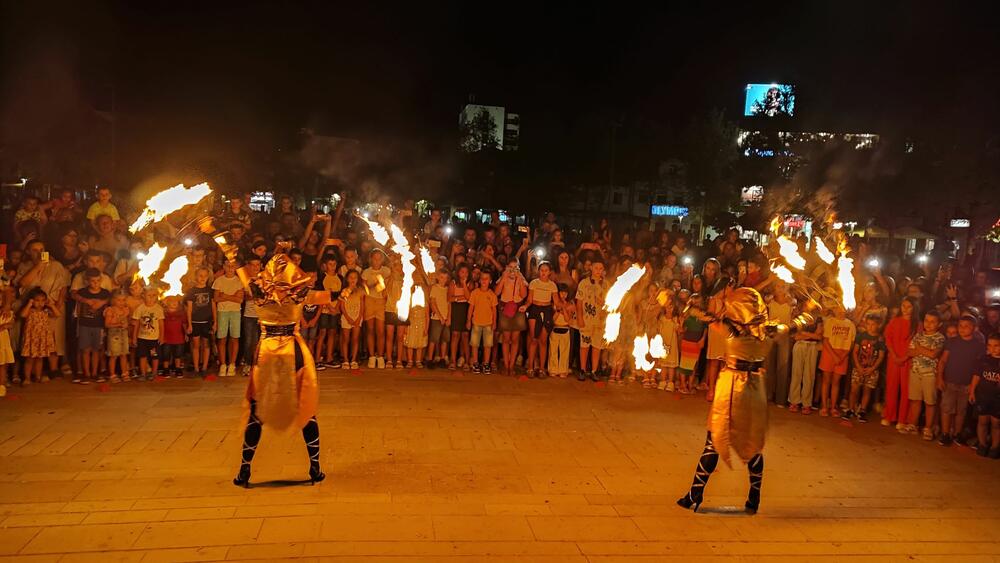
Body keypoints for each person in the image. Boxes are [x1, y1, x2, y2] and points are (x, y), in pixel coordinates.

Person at [677, 287, 776, 515]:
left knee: (713, 440)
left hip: (732, 387)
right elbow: (798, 324)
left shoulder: (732, 330)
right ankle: (754, 497)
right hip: (755, 390)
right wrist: (809, 310)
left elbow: (704, 315)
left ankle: (694, 494)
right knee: (753, 445)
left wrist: (682, 303)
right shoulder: (769, 330)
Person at [936, 314, 983, 446]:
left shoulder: (978, 345)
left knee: (961, 411)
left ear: (974, 328)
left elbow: (978, 368)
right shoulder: (952, 342)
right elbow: (943, 360)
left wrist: (973, 386)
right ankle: (945, 434)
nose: (962, 329)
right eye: (960, 326)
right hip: (949, 381)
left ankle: (957, 433)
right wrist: (940, 377)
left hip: (966, 384)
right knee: (947, 409)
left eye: (966, 326)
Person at [905, 310, 945, 440]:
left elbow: (934, 354)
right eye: (927, 321)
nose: (928, 324)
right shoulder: (918, 335)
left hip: (930, 374)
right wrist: (925, 351)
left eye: (933, 322)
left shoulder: (939, 338)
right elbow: (909, 352)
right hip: (915, 372)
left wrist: (919, 349)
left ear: (939, 324)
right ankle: (913, 424)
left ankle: (928, 427)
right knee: (915, 400)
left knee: (930, 402)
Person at [883, 297, 919, 429]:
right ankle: (889, 416)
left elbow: (917, 344)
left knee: (906, 390)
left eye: (909, 306)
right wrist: (894, 355)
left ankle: (903, 419)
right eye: (903, 306)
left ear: (914, 308)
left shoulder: (917, 325)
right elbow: (888, 338)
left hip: (908, 360)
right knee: (891, 387)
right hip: (894, 359)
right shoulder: (894, 321)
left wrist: (904, 358)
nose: (905, 309)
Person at [843, 314, 886, 422]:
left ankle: (862, 410)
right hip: (858, 367)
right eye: (868, 324)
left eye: (873, 324)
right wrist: (858, 366)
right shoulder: (861, 336)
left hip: (872, 370)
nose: (870, 327)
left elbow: (881, 356)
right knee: (854, 389)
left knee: (867, 390)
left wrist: (872, 368)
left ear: (878, 325)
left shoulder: (880, 339)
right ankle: (851, 408)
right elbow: (855, 352)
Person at [523, 262, 560, 379]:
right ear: (538, 271)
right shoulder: (534, 283)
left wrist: (564, 306)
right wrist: (525, 306)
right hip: (535, 309)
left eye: (546, 270)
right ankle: (530, 367)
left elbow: (556, 301)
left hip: (547, 310)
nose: (543, 272)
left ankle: (542, 368)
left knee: (543, 341)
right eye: (541, 270)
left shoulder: (552, 285)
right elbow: (529, 299)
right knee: (534, 339)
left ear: (549, 272)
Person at [818, 305, 856, 418]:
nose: (840, 311)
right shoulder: (830, 322)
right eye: (838, 309)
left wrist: (842, 356)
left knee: (836, 382)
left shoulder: (851, 325)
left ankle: (833, 407)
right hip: (829, 353)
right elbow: (825, 340)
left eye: (842, 309)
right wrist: (834, 356)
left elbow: (851, 343)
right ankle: (824, 406)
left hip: (842, 354)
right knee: (826, 380)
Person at [75, 268, 111, 384]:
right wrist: (86, 300)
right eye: (92, 281)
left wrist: (102, 302)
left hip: (99, 326)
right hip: (84, 325)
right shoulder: (83, 292)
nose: (95, 283)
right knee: (85, 350)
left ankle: (95, 373)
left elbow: (110, 299)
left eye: (98, 281)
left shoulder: (105, 293)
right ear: (87, 281)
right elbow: (74, 295)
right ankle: (87, 374)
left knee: (96, 350)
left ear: (101, 280)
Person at [575, 260, 608, 381]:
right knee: (584, 345)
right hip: (587, 319)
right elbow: (579, 302)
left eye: (600, 268)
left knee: (596, 346)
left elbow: (611, 302)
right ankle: (582, 369)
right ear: (591, 268)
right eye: (596, 268)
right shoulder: (584, 283)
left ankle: (594, 370)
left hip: (600, 321)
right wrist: (580, 318)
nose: (598, 271)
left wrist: (603, 303)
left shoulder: (606, 284)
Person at [969, 334, 1000, 458]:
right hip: (983, 396)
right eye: (990, 345)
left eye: (996, 346)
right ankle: (982, 444)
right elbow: (976, 376)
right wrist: (972, 391)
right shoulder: (983, 359)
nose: (993, 348)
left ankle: (995, 447)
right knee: (982, 421)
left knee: (996, 423)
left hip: (997, 398)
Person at [213, 260, 244, 377]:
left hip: (235, 311)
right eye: (228, 266)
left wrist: (225, 296)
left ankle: (232, 364)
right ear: (224, 267)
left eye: (232, 266)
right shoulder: (219, 280)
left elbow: (240, 300)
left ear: (235, 267)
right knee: (222, 338)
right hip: (222, 311)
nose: (230, 268)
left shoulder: (239, 281)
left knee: (234, 338)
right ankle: (223, 364)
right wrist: (233, 296)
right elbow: (216, 298)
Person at [19, 288, 57, 385]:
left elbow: (57, 314)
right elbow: (23, 315)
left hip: (42, 338)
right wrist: (29, 304)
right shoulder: (30, 311)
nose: (40, 303)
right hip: (32, 338)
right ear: (32, 300)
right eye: (37, 300)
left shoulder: (46, 311)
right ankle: (27, 378)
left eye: (43, 300)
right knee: (30, 359)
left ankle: (38, 376)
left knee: (40, 358)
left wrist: (52, 305)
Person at [788, 309, 822, 414]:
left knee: (809, 375)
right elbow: (796, 336)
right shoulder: (799, 317)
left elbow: (819, 336)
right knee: (796, 373)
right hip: (800, 345)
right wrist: (811, 334)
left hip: (812, 346)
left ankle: (806, 403)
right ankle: (794, 401)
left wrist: (803, 333)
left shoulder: (818, 319)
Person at [362, 249, 390, 369]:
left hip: (381, 301)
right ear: (371, 259)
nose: (377, 261)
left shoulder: (386, 271)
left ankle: (380, 356)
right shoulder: (366, 272)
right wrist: (375, 284)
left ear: (382, 259)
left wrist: (382, 285)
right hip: (369, 300)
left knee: (380, 330)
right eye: (375, 258)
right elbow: (364, 289)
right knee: (370, 329)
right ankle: (372, 356)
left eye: (379, 258)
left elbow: (388, 286)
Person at [184, 268, 215, 377]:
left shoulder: (210, 290)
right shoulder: (191, 291)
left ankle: (204, 368)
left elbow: (213, 306)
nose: (202, 278)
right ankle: (196, 368)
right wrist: (190, 324)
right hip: (195, 321)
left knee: (206, 345)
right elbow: (189, 309)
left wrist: (215, 322)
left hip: (207, 322)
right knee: (196, 345)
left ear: (208, 277)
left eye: (205, 276)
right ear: (196, 277)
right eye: (200, 275)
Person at [766, 283, 793, 407]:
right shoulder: (770, 301)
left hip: (785, 336)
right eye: (778, 286)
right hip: (771, 334)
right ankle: (767, 395)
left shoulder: (791, 303)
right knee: (768, 366)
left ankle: (780, 399)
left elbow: (794, 306)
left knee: (783, 367)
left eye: (783, 286)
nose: (781, 289)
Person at [468, 271, 498, 374]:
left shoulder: (492, 295)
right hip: (476, 322)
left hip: (488, 323)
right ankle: (475, 363)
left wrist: (494, 322)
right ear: (479, 280)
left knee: (488, 345)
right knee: (475, 344)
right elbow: (471, 308)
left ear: (490, 281)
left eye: (486, 278)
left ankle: (486, 363)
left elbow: (494, 310)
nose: (484, 281)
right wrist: (468, 320)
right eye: (482, 278)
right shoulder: (475, 293)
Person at [131, 287, 164, 381]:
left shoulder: (158, 309)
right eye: (149, 295)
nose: (151, 297)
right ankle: (143, 374)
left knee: (154, 356)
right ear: (143, 296)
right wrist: (134, 337)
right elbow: (136, 324)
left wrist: (161, 336)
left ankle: (154, 373)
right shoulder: (140, 308)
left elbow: (161, 324)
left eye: (154, 295)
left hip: (154, 339)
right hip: (142, 338)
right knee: (143, 356)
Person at [678, 293, 709, 394]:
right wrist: (681, 326)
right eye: (694, 302)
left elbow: (705, 328)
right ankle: (683, 385)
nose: (696, 304)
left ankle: (690, 385)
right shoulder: (687, 314)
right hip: (687, 341)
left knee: (694, 365)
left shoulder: (703, 315)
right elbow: (682, 329)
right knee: (684, 365)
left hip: (697, 343)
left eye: (698, 302)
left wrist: (703, 339)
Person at [239, 257, 263, 376]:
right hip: (249, 314)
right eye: (253, 264)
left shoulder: (264, 279)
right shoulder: (245, 280)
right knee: (249, 341)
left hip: (262, 315)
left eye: (257, 264)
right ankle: (248, 364)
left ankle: (258, 364)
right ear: (248, 266)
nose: (255, 267)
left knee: (260, 341)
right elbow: (244, 297)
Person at [448, 264, 473, 370]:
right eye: (462, 272)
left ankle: (467, 361)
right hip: (456, 310)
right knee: (455, 335)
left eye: (466, 272)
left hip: (466, 310)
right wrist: (459, 298)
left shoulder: (470, 283)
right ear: (458, 272)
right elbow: (449, 298)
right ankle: (453, 360)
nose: (464, 274)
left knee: (465, 336)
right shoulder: (453, 283)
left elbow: (469, 298)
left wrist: (464, 285)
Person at [339, 270, 364, 370]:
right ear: (347, 279)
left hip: (357, 317)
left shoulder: (360, 291)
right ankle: (345, 360)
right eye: (351, 277)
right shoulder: (345, 291)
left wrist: (359, 317)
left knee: (355, 339)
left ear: (358, 279)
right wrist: (348, 317)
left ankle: (353, 360)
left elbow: (362, 305)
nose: (353, 279)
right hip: (346, 317)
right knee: (345, 339)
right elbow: (342, 306)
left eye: (355, 277)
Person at [656, 289, 681, 391]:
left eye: (671, 307)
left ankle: (670, 382)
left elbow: (678, 330)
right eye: (667, 306)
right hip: (663, 344)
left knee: (671, 365)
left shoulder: (675, 319)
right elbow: (658, 330)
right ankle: (663, 381)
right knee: (663, 364)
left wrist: (679, 325)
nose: (669, 309)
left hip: (672, 345)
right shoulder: (662, 318)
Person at [103, 292, 131, 383]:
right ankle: (112, 374)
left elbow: (127, 322)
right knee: (114, 355)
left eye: (123, 300)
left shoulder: (126, 309)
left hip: (124, 334)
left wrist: (127, 324)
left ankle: (124, 373)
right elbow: (107, 324)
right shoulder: (110, 310)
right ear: (114, 300)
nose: (121, 302)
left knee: (123, 354)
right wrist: (120, 322)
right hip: (114, 335)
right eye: (119, 300)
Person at [427, 269, 452, 369]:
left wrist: (448, 317)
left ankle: (442, 358)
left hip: (445, 318)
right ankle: (429, 359)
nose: (443, 280)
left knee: (444, 339)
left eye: (445, 278)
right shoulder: (435, 288)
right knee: (434, 339)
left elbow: (449, 304)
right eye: (441, 277)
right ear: (438, 277)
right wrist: (440, 317)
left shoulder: (447, 289)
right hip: (436, 318)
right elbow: (433, 303)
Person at [160, 295, 187, 378]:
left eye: (175, 301)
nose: (174, 303)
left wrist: (186, 334)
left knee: (178, 354)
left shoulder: (181, 313)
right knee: (166, 354)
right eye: (171, 301)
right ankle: (166, 369)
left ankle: (177, 368)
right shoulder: (163, 313)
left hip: (179, 337)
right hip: (166, 338)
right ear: (167, 303)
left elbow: (184, 324)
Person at [404, 285, 429, 368]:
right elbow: (406, 315)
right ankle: (410, 360)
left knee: (420, 343)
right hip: (411, 323)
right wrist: (405, 327)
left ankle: (418, 360)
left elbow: (427, 316)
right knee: (410, 343)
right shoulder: (409, 301)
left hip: (421, 323)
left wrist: (426, 328)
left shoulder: (425, 302)